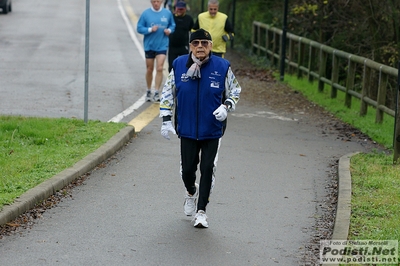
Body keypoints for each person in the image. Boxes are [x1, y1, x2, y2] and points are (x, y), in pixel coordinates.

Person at [159, 29, 241, 228]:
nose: (200, 47)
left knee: (207, 168)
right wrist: (166, 119)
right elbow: (168, 92)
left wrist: (226, 106)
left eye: (204, 43)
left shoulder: (222, 67)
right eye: (196, 43)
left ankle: (202, 211)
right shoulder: (179, 65)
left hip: (212, 129)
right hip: (186, 128)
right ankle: (190, 192)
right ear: (190, 46)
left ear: (211, 46)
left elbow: (235, 90)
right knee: (187, 170)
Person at [137, 0, 176, 102]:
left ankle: (157, 92)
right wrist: (150, 29)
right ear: (151, 2)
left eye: (158, 1)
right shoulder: (146, 13)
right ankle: (149, 90)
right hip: (149, 45)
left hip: (162, 45)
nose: (156, 3)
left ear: (161, 2)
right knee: (150, 69)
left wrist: (169, 30)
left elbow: (172, 25)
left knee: (159, 68)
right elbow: (139, 28)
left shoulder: (167, 13)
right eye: (154, 1)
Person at [167, 1, 194, 72]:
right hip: (172, 46)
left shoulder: (189, 19)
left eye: (181, 9)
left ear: (185, 9)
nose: (179, 11)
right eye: (178, 9)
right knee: (171, 66)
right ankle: (171, 81)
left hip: (184, 46)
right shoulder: (171, 18)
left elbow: (193, 31)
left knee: (185, 65)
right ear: (175, 8)